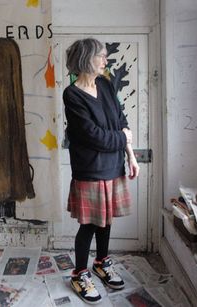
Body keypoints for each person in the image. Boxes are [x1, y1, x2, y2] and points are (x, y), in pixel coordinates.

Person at [63, 38, 139, 305]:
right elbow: (94, 136)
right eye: (101, 56)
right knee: (90, 225)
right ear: (87, 59)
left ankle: (101, 262)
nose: (106, 61)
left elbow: (121, 122)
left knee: (106, 221)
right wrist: (122, 138)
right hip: (90, 169)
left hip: (113, 165)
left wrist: (131, 157)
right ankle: (79, 274)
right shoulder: (72, 95)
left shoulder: (106, 85)